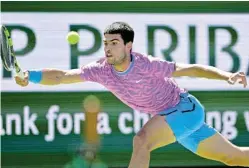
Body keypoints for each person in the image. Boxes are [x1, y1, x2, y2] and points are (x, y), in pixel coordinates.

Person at [15, 22, 248, 168]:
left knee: (141, 140)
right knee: (234, 158)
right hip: (174, 118)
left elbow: (192, 69)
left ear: (129, 46)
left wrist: (225, 75)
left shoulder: (146, 64)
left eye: (114, 43)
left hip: (184, 109)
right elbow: (62, 76)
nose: (108, 48)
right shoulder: (100, 70)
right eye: (106, 43)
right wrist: (30, 75)